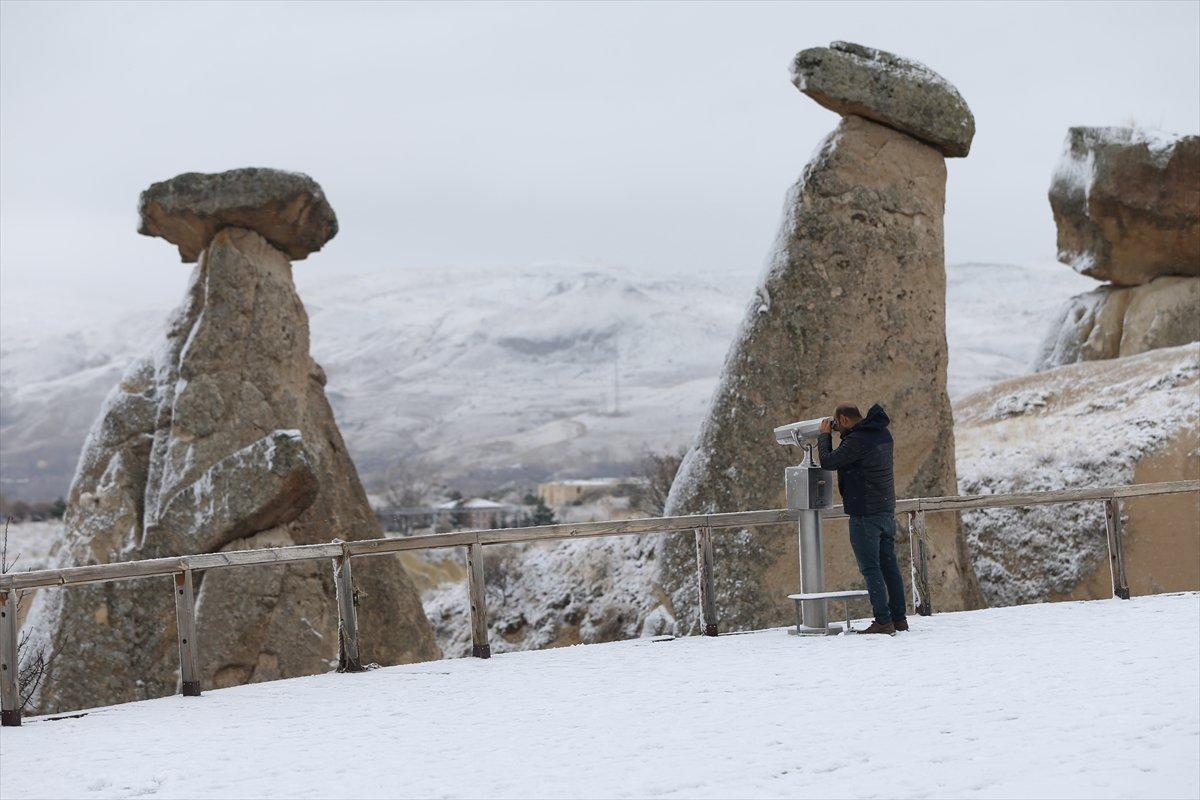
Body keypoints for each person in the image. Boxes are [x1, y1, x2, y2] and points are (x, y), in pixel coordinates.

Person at [817, 403, 907, 635]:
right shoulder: (881, 433)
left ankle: (883, 621)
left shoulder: (857, 440)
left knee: (871, 568)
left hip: (865, 514)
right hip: (886, 509)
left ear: (845, 420)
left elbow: (829, 461)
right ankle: (899, 619)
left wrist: (825, 435)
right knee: (889, 566)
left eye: (837, 423)